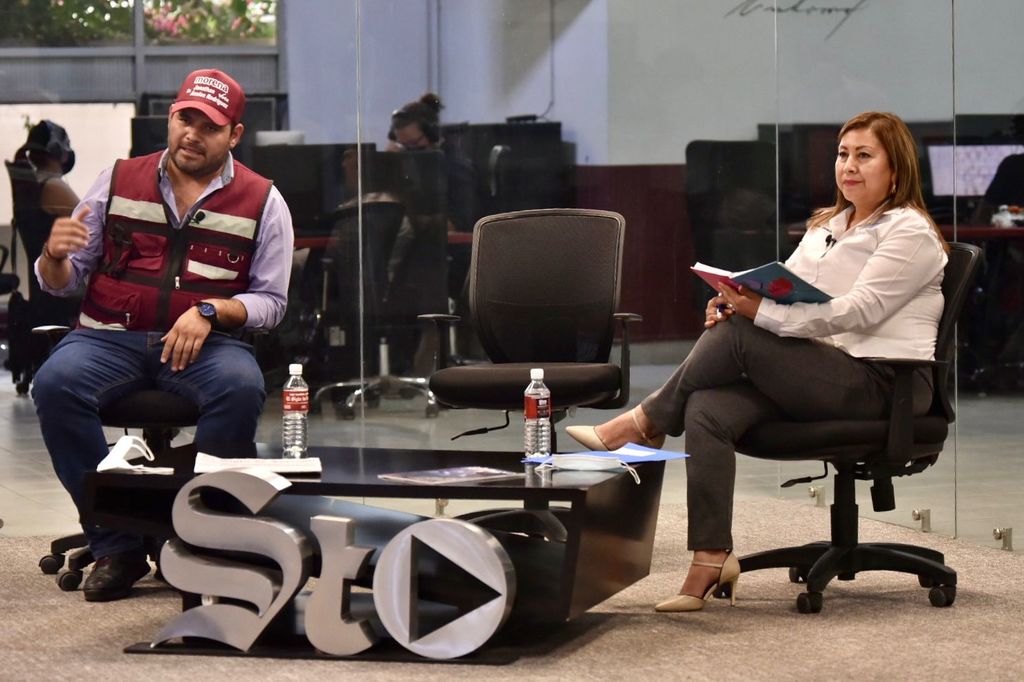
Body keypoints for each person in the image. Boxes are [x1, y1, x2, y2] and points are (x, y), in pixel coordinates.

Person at [567, 111, 950, 613]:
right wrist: (737, 298)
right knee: (707, 407)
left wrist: (758, 315)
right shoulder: (827, 226)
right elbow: (786, 289)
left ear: (896, 170)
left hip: (884, 383)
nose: (848, 166)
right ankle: (711, 557)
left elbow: (859, 311)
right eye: (842, 154)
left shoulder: (910, 232)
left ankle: (644, 422)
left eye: (864, 155)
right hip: (822, 374)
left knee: (743, 332)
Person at [31, 68, 294, 602]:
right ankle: (116, 542)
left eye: (209, 126)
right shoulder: (116, 180)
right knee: (55, 384)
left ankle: (202, 537)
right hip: (107, 337)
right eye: (184, 120)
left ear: (234, 135)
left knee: (240, 387)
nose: (192, 135)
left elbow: (271, 303)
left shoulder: (264, 201)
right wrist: (52, 257)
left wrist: (210, 311)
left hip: (205, 345)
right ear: (171, 118)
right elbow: (67, 280)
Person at [5, 121, 83, 388]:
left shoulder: (32, 183)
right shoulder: (53, 186)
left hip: (43, 289)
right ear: (59, 151)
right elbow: (92, 225)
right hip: (63, 282)